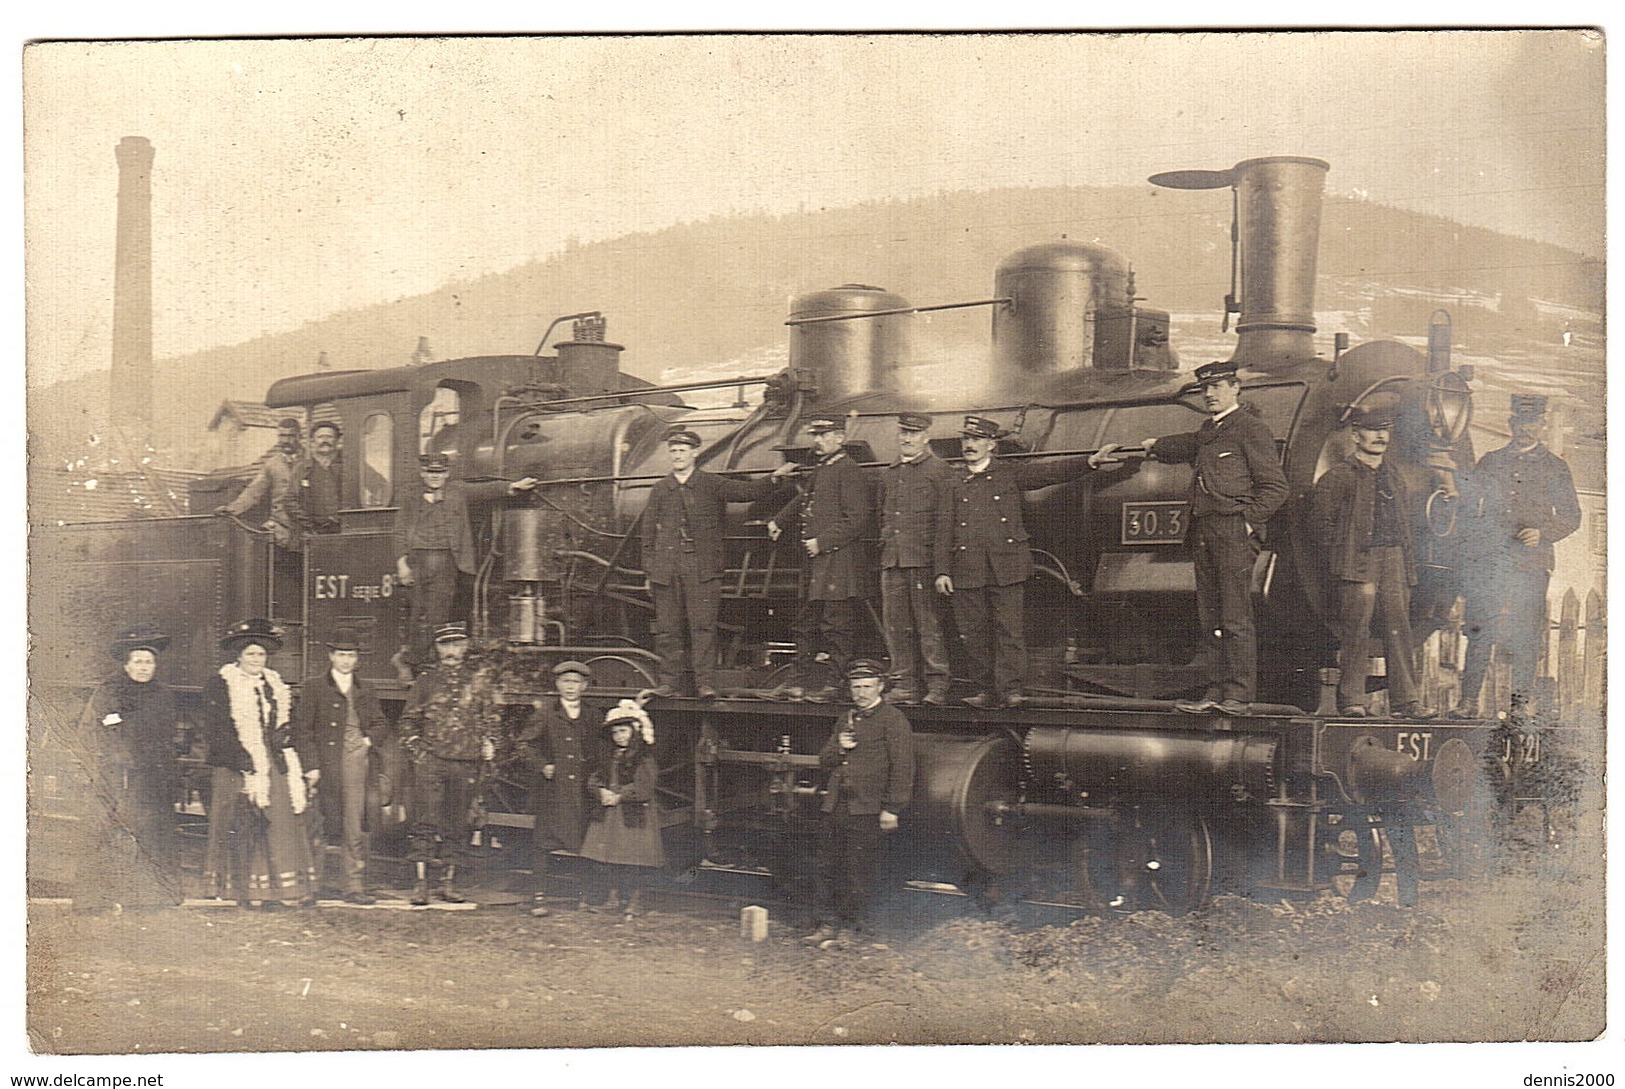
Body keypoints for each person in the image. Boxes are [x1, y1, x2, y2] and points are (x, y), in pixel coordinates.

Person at [1140, 361, 1289, 715]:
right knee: (1212, 617)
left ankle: (1238, 695)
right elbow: (1188, 444)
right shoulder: (1210, 430)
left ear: (1236, 388)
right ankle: (1216, 690)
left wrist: (1247, 523)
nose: (1210, 394)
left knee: (1235, 616)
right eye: (1206, 389)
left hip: (1232, 531)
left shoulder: (1250, 429)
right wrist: (1153, 445)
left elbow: (1276, 487)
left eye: (1219, 387)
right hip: (1204, 530)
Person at [937, 414, 1103, 709]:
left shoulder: (1008, 474)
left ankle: (1011, 689)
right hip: (966, 569)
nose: (969, 446)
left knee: (1009, 630)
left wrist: (1088, 462)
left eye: (976, 440)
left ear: (991, 445)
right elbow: (943, 529)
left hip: (1006, 566)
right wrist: (942, 571)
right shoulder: (952, 482)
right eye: (966, 440)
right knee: (974, 633)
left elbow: (1050, 473)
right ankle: (985, 689)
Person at [1451, 394, 1581, 717]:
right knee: (1481, 630)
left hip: (1530, 563)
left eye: (1533, 423)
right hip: (1492, 562)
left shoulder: (1555, 467)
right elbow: (1469, 508)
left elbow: (1572, 515)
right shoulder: (1491, 462)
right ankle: (1468, 703)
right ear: (1511, 424)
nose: (1527, 430)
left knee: (1526, 634)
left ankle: (1520, 705)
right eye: (1521, 423)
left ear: (1542, 425)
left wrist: (1543, 533)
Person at [641, 426, 792, 697]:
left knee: (703, 628)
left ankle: (705, 684)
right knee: (668, 630)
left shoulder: (711, 484)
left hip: (701, 568)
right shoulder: (661, 489)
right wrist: (650, 570)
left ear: (695, 453)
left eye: (682, 451)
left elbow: (746, 492)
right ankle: (668, 683)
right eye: (673, 451)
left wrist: (773, 479)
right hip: (667, 569)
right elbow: (648, 533)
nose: (677, 456)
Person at [1306, 404, 1435, 719]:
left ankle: (1407, 702)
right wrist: (1342, 559)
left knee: (1398, 629)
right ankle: (1352, 701)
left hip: (1394, 561)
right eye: (1372, 430)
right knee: (1356, 631)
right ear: (1355, 435)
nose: (1379, 436)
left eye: (1385, 430)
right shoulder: (1337, 478)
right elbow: (1319, 527)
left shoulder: (1395, 477)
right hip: (1357, 563)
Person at [200, 618, 317, 910]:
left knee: (280, 822)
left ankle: (281, 890)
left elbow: (290, 725)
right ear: (238, 656)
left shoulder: (275, 685)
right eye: (250, 654)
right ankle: (248, 890)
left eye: (261, 654)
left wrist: (288, 746)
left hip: (274, 761)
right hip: (237, 762)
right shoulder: (221, 683)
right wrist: (244, 761)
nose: (256, 659)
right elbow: (217, 729)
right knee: (245, 822)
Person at [68, 624, 183, 914]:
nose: (144, 667)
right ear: (127, 663)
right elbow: (100, 732)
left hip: (152, 777)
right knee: (105, 837)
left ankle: (149, 899)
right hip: (115, 777)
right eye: (139, 661)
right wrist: (120, 763)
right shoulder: (109, 692)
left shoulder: (163, 695)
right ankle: (94, 901)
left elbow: (169, 737)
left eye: (149, 662)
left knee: (152, 836)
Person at [801, 660, 915, 949]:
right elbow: (824, 760)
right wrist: (840, 746)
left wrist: (892, 808)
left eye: (867, 687)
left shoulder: (893, 719)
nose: (861, 693)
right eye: (856, 687)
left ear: (880, 687)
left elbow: (903, 767)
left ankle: (852, 929)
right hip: (837, 806)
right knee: (827, 867)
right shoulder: (846, 719)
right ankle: (826, 925)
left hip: (868, 808)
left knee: (858, 872)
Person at [393, 453, 539, 667]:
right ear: (423, 473)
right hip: (418, 560)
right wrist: (401, 563)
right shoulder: (410, 497)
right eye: (431, 472)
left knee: (438, 612)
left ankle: (428, 661)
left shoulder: (458, 491)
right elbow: (399, 531)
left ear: (447, 473)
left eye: (440, 472)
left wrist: (513, 486)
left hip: (447, 560)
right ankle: (411, 660)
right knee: (418, 612)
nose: (436, 477)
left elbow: (486, 490)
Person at [767, 414, 873, 702]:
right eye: (815, 435)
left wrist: (821, 542)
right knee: (805, 624)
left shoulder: (848, 469)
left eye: (825, 435)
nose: (818, 440)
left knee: (836, 626)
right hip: (818, 564)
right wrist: (780, 519)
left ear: (840, 437)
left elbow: (857, 519)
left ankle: (835, 684)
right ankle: (797, 682)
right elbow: (805, 498)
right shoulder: (822, 468)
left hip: (839, 563)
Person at [397, 622, 500, 906]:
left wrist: (490, 742)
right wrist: (418, 751)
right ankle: (421, 885)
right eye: (446, 645)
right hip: (432, 762)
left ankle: (448, 883)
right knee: (425, 822)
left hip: (466, 762)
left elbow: (490, 718)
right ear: (438, 649)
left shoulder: (477, 682)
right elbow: (408, 721)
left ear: (465, 647)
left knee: (458, 825)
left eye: (457, 644)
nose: (452, 651)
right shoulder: (425, 682)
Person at [291, 629, 387, 903]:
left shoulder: (365, 688)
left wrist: (367, 741)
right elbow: (303, 731)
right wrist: (310, 766)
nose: (346, 661)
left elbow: (380, 723)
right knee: (318, 822)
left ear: (357, 659)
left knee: (354, 823)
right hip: (324, 763)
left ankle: (353, 886)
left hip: (356, 761)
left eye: (351, 655)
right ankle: (310, 885)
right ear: (331, 656)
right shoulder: (314, 686)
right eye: (341, 655)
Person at [512, 660, 601, 917]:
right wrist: (543, 766)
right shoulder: (546, 714)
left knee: (585, 842)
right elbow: (524, 744)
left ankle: (584, 898)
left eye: (575, 682)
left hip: (583, 792)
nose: (570, 687)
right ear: (557, 684)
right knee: (543, 843)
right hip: (553, 791)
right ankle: (538, 897)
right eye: (565, 682)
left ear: (584, 686)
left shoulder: (593, 715)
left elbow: (603, 750)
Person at [877, 412, 954, 705]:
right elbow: (882, 515)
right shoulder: (890, 472)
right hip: (893, 560)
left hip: (922, 561)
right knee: (896, 626)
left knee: (928, 626)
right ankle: (905, 684)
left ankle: (937, 686)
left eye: (913, 433)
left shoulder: (938, 471)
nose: (907, 439)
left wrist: (940, 568)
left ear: (926, 437)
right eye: (903, 433)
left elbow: (945, 524)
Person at [578, 697, 663, 918]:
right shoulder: (608, 756)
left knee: (633, 859)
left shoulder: (643, 757)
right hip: (610, 813)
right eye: (615, 733)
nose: (619, 737)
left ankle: (634, 902)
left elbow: (645, 787)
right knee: (609, 857)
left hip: (632, 813)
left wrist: (620, 796)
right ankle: (613, 898)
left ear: (633, 732)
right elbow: (595, 778)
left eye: (624, 731)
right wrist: (600, 792)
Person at [216, 417, 305, 550]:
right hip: (281, 528)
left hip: (306, 526)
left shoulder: (309, 460)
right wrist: (232, 509)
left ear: (300, 436)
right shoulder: (272, 464)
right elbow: (253, 492)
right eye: (282, 436)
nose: (285, 441)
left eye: (290, 436)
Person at [287, 420, 344, 540]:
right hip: (310, 535)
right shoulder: (302, 469)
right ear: (312, 442)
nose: (325, 441)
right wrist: (309, 526)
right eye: (320, 437)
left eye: (329, 437)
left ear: (338, 441)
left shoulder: (347, 467)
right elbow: (290, 501)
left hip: (343, 532)